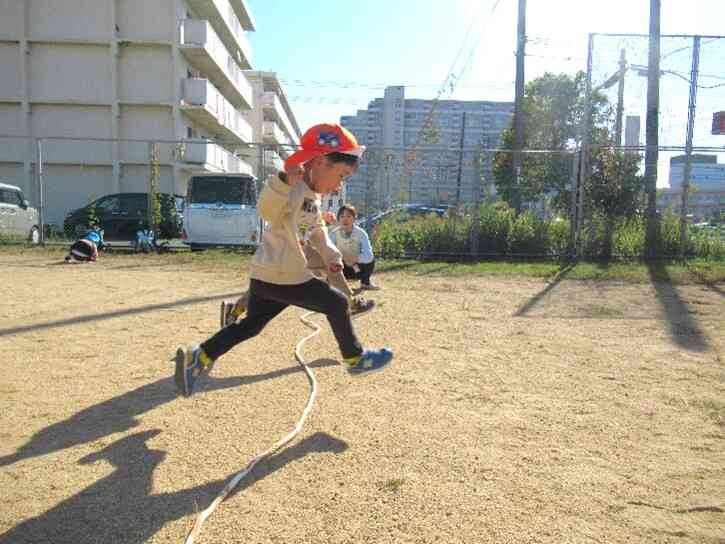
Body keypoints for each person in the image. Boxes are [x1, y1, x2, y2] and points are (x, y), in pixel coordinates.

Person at [175, 123, 393, 397]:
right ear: (321, 162)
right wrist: (281, 182)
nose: (339, 185)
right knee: (337, 303)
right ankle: (355, 358)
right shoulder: (291, 187)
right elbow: (266, 210)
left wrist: (330, 253)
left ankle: (199, 356)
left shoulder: (313, 196)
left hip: (269, 276)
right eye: (340, 175)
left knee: (251, 326)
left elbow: (315, 230)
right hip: (284, 274)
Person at [219, 243, 375, 328]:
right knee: (266, 281)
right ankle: (235, 310)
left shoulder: (307, 192)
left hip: (295, 248)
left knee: (331, 263)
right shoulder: (295, 190)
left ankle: (234, 311)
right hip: (288, 248)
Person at [329, 204, 380, 290]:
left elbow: (369, 255)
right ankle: (333, 284)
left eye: (349, 216)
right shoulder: (333, 234)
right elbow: (328, 252)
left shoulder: (361, 233)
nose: (345, 219)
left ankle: (365, 283)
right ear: (338, 219)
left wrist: (357, 258)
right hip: (341, 267)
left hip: (357, 267)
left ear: (354, 219)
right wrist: (338, 260)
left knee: (371, 260)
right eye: (342, 216)